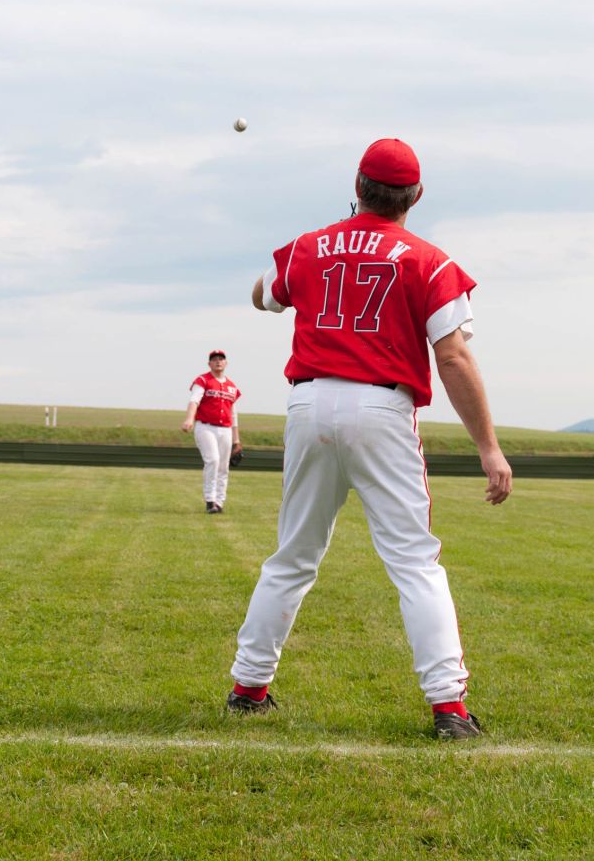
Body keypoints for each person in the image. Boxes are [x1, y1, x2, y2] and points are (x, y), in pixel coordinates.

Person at [227, 138, 512, 740]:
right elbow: (453, 357)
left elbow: (261, 295)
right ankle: (449, 708)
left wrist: (311, 258)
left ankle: (248, 688)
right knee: (414, 562)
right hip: (382, 405)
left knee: (293, 556)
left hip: (309, 401)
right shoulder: (430, 261)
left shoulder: (310, 245)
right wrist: (488, 447)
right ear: (417, 195)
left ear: (358, 186)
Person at [182, 350, 242, 514]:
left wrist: (236, 440)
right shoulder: (203, 380)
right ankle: (210, 500)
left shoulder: (231, 386)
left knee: (223, 466)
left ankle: (219, 502)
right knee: (213, 460)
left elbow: (233, 414)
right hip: (206, 427)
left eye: (221, 359)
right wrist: (189, 419)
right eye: (214, 359)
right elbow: (194, 400)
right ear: (209, 364)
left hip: (226, 430)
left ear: (226, 363)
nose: (218, 361)